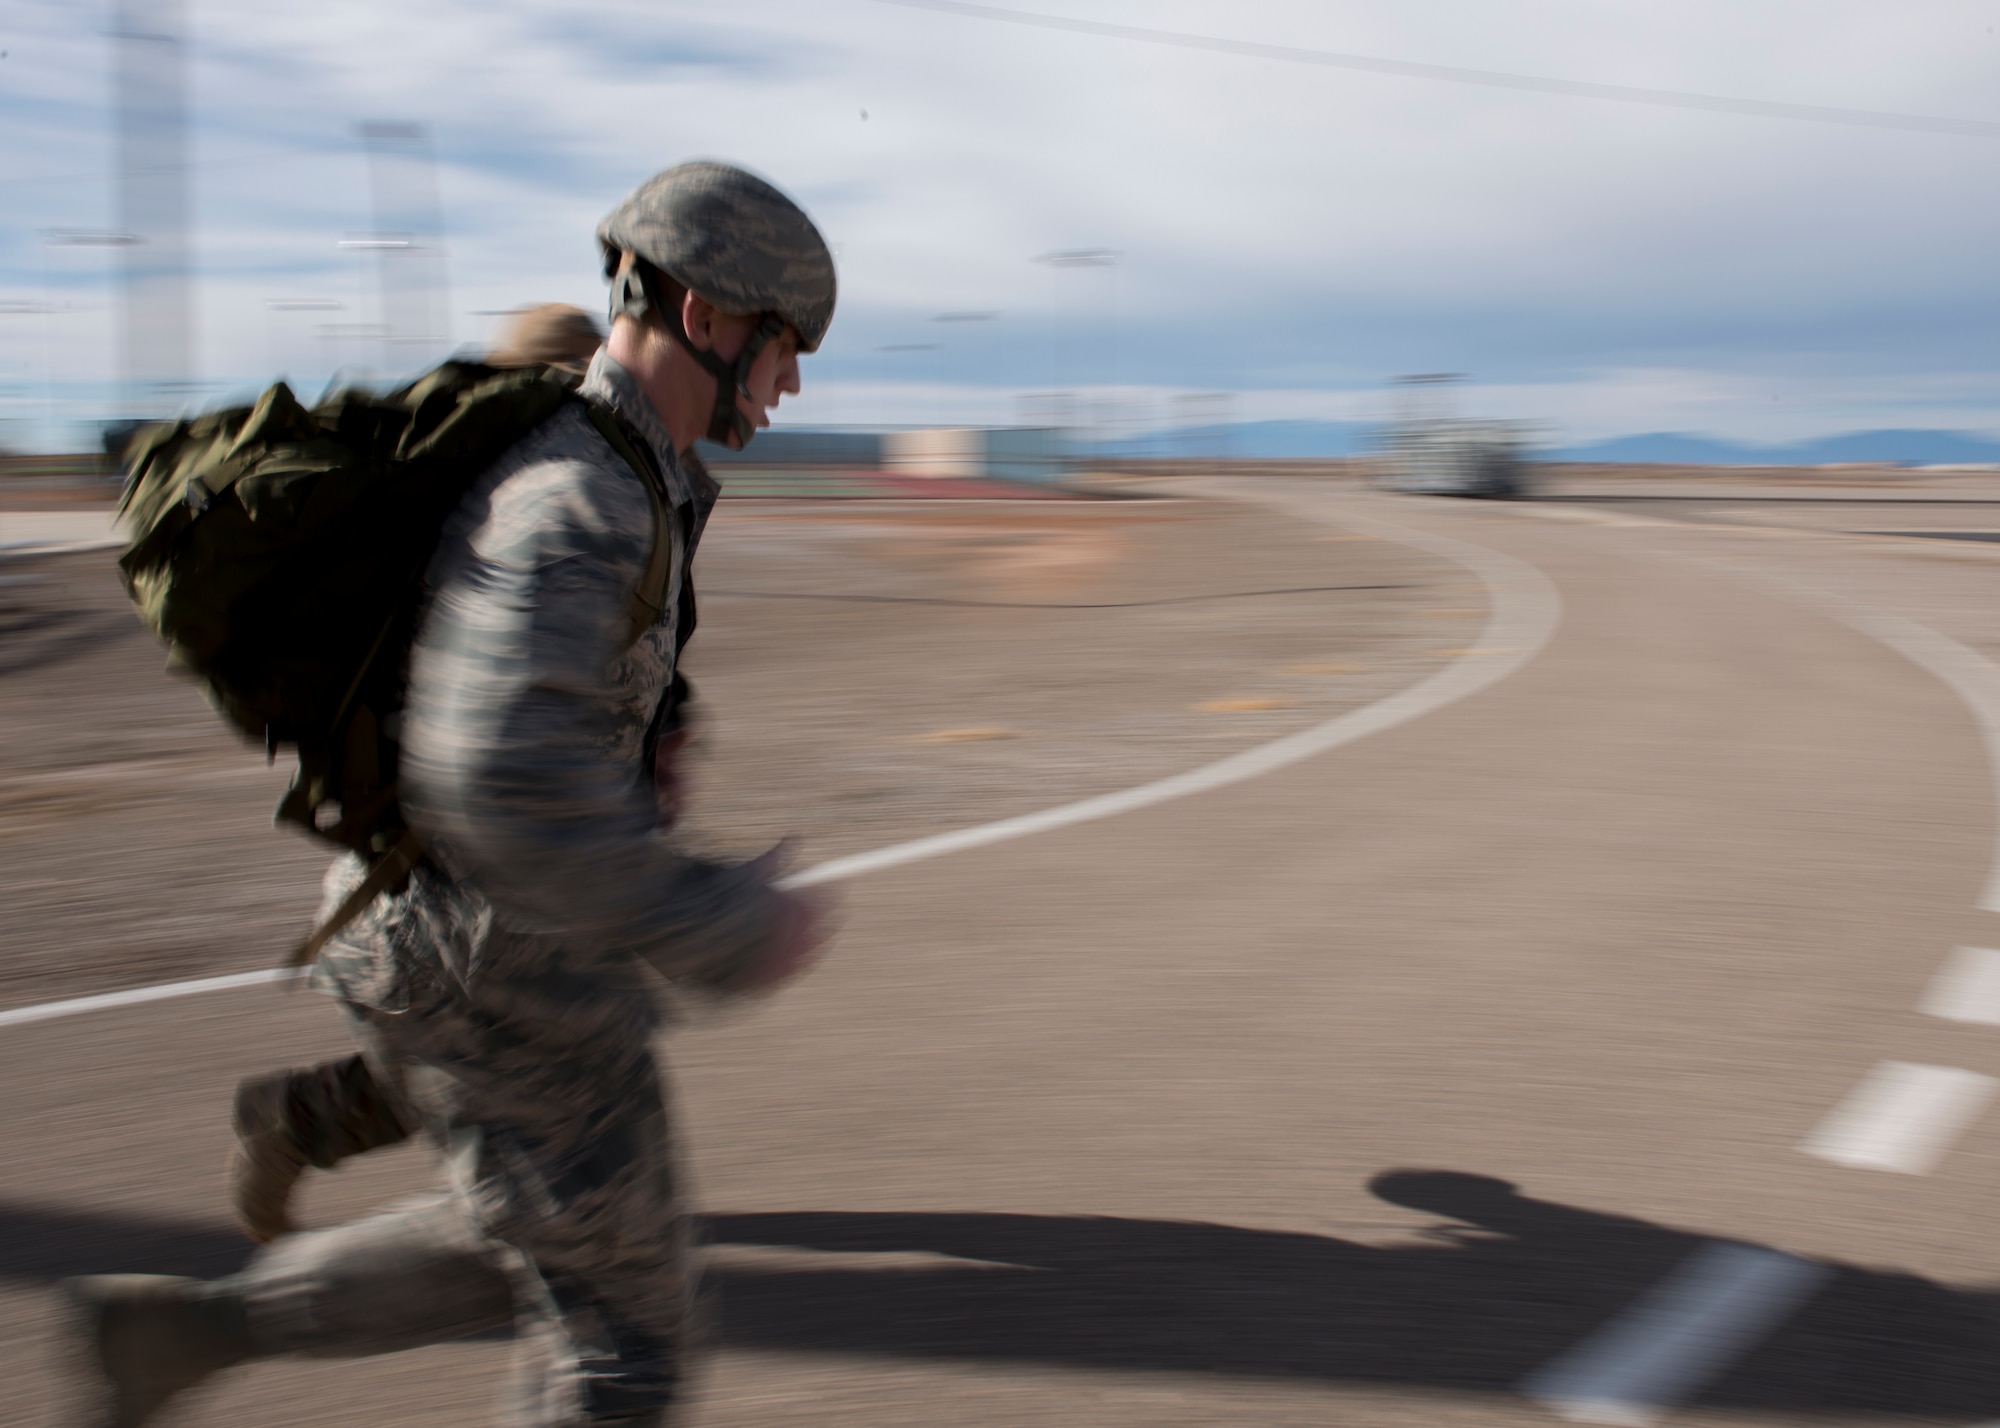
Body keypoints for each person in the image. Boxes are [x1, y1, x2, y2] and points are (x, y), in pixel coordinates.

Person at [60, 160, 840, 1428]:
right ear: (705, 317)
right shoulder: (578, 497)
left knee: (530, 1241)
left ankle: (179, 1335)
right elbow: (498, 779)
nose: (791, 378)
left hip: (458, 942)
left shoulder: (619, 473)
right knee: (625, 1345)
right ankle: (184, 1333)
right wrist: (719, 920)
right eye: (783, 341)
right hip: (495, 957)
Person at [219, 297, 616, 1249]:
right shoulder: (529, 494)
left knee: (515, 1043)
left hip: (444, 825)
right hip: (466, 836)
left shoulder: (456, 483)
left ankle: (315, 1125)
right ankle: (301, 1132)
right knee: (521, 1052)